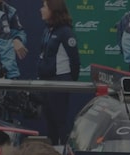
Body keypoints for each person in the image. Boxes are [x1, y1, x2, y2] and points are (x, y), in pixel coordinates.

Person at [38, 0, 81, 145]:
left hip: (59, 83)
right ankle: (53, 152)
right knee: (50, 122)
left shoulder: (65, 32)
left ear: (53, 10)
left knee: (59, 122)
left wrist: (68, 82)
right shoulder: (47, 30)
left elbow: (75, 61)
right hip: (46, 83)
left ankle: (64, 153)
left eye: (44, 7)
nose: (41, 9)